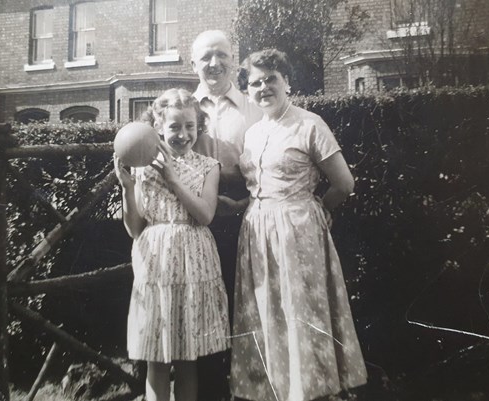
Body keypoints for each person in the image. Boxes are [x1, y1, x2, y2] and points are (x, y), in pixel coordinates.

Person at [229, 49, 368, 401]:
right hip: (257, 234)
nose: (263, 88)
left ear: (287, 81)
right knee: (266, 313)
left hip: (297, 232)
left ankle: (311, 391)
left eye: (270, 79)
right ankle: (275, 391)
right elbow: (264, 187)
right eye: (255, 83)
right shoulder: (253, 133)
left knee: (300, 311)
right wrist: (243, 204)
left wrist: (317, 206)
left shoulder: (309, 124)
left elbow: (345, 184)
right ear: (248, 90)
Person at [114, 88, 230, 401]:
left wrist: (174, 179)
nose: (182, 134)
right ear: (159, 128)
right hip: (155, 264)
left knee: (187, 357)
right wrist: (127, 188)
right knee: (157, 357)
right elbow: (135, 229)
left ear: (198, 127)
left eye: (189, 126)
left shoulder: (208, 166)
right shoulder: (140, 166)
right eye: (174, 127)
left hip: (194, 261)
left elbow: (205, 214)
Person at [190, 30, 262, 400]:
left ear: (235, 60)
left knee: (246, 304)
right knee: (204, 307)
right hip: (199, 216)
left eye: (221, 55)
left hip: (249, 213)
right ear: (193, 64)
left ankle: (248, 390)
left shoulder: (255, 106)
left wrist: (248, 201)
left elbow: (270, 161)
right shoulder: (183, 108)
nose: (214, 63)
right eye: (206, 57)